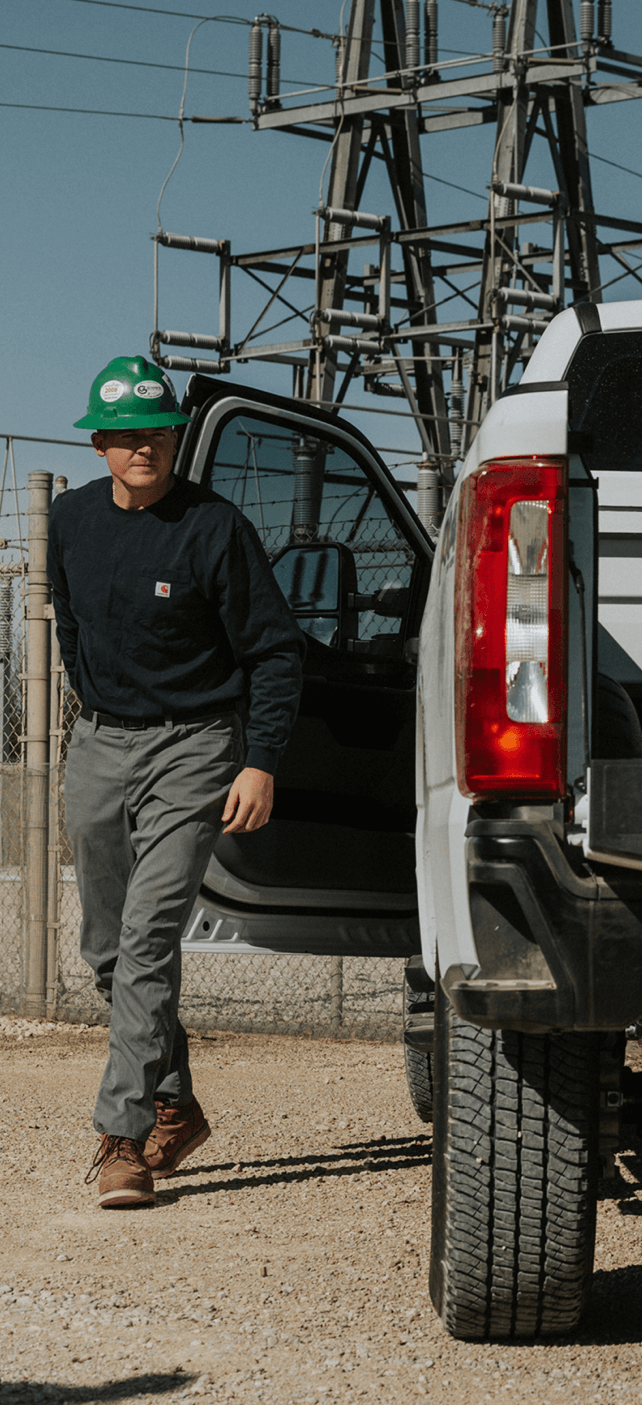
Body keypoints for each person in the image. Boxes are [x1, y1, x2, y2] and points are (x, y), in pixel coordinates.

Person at [49, 356, 304, 1208]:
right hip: (98, 743)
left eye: (156, 432)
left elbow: (274, 651)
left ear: (174, 438)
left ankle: (120, 1138)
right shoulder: (70, 520)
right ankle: (177, 1102)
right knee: (106, 950)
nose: (142, 448)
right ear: (101, 445)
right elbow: (71, 628)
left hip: (195, 748)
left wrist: (259, 760)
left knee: (148, 937)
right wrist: (98, 718)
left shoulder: (214, 528)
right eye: (125, 435)